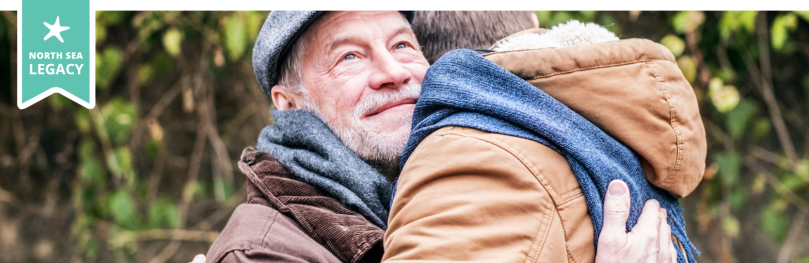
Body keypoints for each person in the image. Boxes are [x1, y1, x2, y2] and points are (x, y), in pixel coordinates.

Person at [201, 11, 685, 263]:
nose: (392, 72)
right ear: (290, 103)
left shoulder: (457, 183)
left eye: (402, 45)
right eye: (349, 56)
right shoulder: (264, 251)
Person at [384, 11, 705, 263]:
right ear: (535, 25)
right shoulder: (620, 134)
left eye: (400, 46)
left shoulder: (462, 156)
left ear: (424, 59)